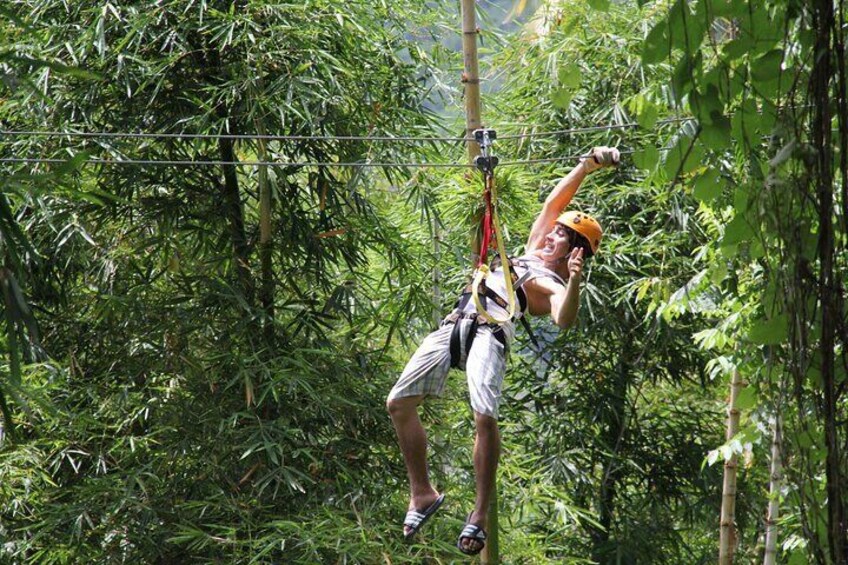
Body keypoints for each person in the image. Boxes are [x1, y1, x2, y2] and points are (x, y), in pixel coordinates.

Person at [386, 146, 620, 555]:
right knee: (398, 403)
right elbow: (554, 203)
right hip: (457, 323)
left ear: (575, 252)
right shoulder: (531, 249)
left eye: (561, 235)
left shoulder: (552, 282)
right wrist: (586, 165)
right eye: (553, 231)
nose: (550, 235)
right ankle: (422, 492)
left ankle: (478, 514)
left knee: (484, 416)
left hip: (490, 334)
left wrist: (577, 281)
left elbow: (564, 317)